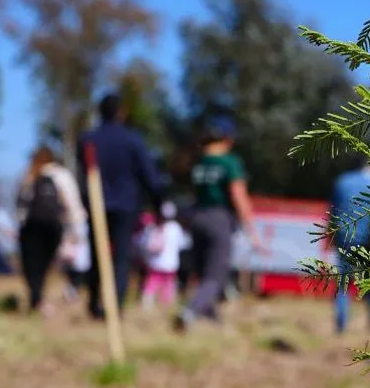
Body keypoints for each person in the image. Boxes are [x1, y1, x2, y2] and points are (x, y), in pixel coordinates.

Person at [78, 93, 163, 319]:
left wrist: (83, 199)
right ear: (120, 113)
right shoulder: (132, 140)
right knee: (121, 256)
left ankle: (95, 302)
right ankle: (115, 304)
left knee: (97, 254)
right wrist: (159, 203)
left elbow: (81, 173)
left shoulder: (88, 139)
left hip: (97, 204)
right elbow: (149, 174)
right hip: (125, 204)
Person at [176, 116, 262, 331]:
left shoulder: (198, 163)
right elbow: (238, 196)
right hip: (219, 219)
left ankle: (211, 316)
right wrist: (252, 230)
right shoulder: (229, 162)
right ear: (227, 138)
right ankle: (190, 312)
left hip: (197, 218)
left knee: (204, 271)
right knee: (216, 274)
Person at [16, 146, 85, 313]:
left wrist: (20, 225)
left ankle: (36, 298)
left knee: (31, 264)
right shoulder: (61, 175)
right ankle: (38, 299)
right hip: (54, 225)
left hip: (31, 226)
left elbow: (20, 204)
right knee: (44, 264)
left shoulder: (29, 174)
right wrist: (76, 228)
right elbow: (72, 202)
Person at [329, 160, 370, 334]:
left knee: (343, 281)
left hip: (345, 237)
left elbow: (333, 211)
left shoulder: (343, 180)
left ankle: (341, 323)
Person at [141, 202, 187, 308]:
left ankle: (147, 303)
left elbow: (144, 243)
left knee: (152, 283)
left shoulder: (152, 226)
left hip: (155, 263)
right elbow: (182, 243)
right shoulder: (175, 227)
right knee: (168, 284)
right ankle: (165, 303)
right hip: (171, 264)